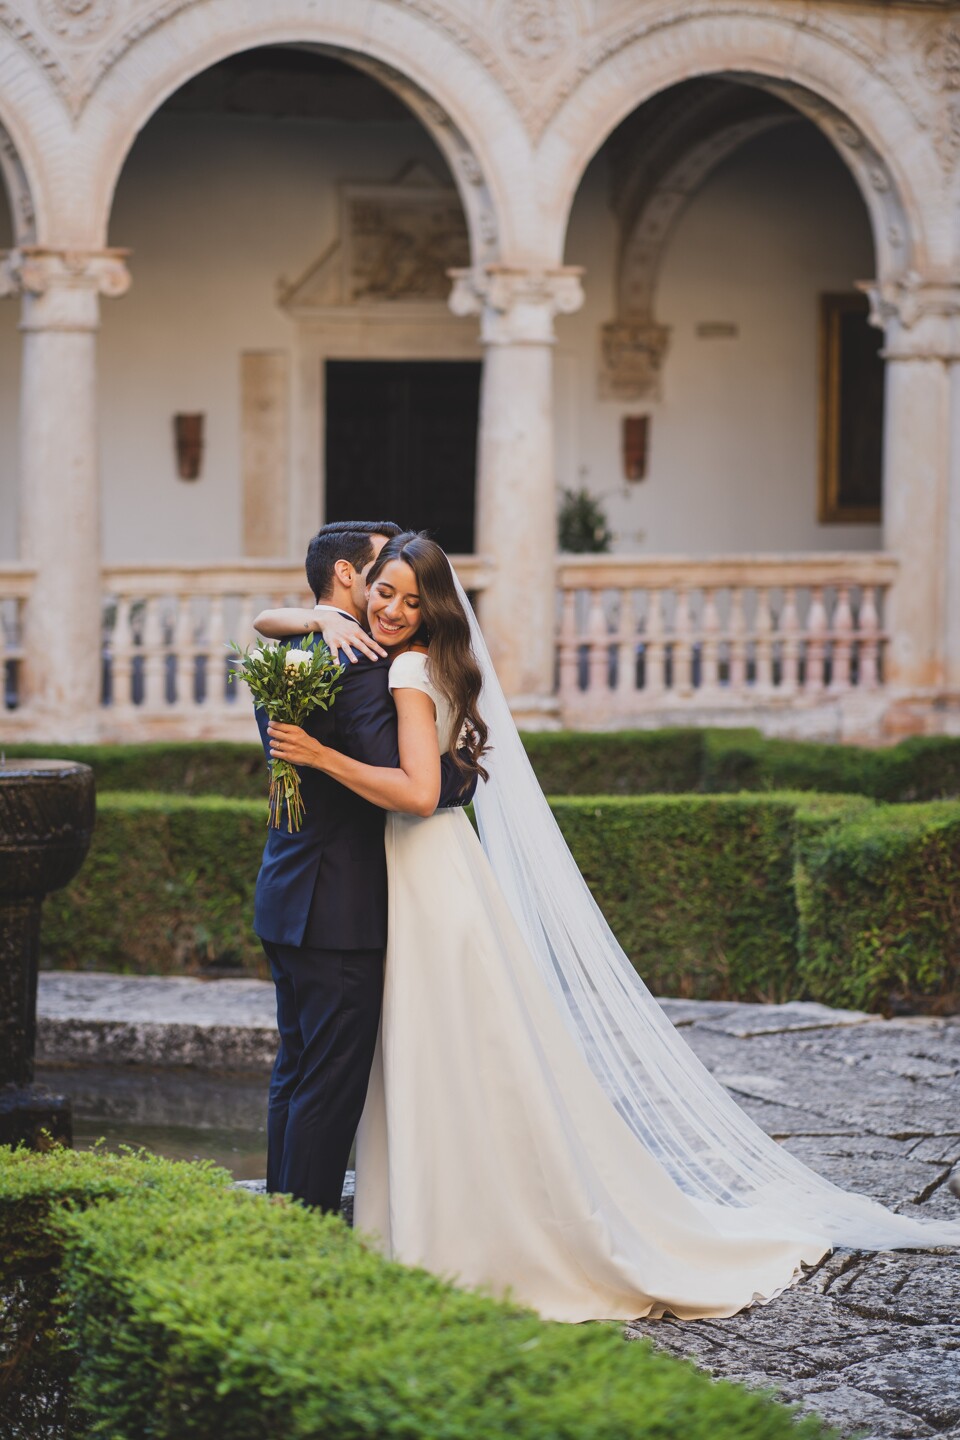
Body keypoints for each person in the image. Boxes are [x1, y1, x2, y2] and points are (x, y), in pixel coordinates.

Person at [258, 531, 960, 1323]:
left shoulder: (402, 668)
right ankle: (433, 1213)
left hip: (421, 873)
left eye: (409, 600)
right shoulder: (390, 655)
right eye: (382, 591)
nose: (389, 609)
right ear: (356, 585)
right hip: (424, 874)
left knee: (438, 1048)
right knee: (454, 1049)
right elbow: (275, 630)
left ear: (433, 610)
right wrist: (318, 618)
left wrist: (319, 755)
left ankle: (444, 1226)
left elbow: (421, 792)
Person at [251, 521, 476, 1217]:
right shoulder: (365, 667)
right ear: (350, 577)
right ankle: (305, 1238)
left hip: (286, 893)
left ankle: (279, 1226)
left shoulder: (288, 650)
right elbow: (411, 786)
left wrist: (315, 616)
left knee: (295, 1073)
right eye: (382, 574)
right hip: (339, 912)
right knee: (328, 1088)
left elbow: (265, 621)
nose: (391, 594)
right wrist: (462, 775)